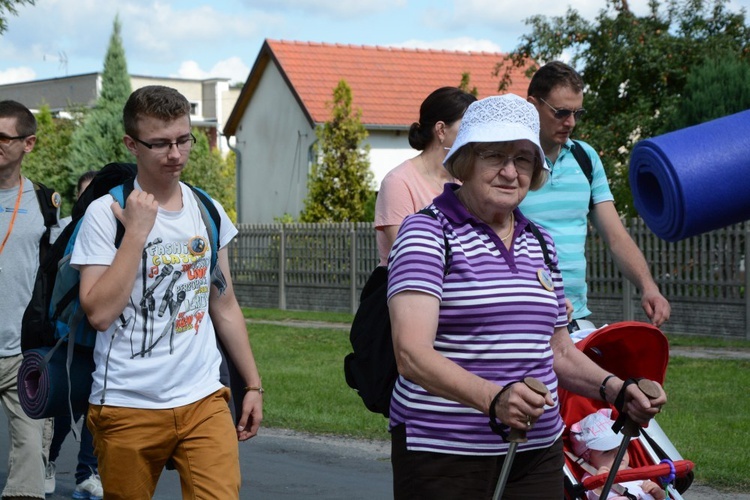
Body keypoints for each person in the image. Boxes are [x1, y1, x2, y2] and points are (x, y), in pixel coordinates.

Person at [386, 93, 666, 499]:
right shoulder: (427, 233)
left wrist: (618, 390)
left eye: (522, 159)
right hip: (444, 455)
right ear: (466, 161)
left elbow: (559, 352)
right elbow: (411, 355)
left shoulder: (540, 241)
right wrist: (494, 399)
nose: (509, 171)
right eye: (494, 156)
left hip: (535, 453)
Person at [70, 85, 263, 498]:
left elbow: (224, 304)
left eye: (183, 139)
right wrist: (136, 233)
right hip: (126, 404)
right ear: (131, 144)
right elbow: (99, 313)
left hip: (204, 399)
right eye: (159, 143)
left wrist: (252, 385)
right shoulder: (106, 215)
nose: (175, 154)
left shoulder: (207, 210)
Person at [520, 61, 671, 331]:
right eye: (561, 112)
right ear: (532, 105)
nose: (571, 122)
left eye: (577, 112)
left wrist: (648, 287)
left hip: (575, 318)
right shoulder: (510, 161)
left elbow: (616, 236)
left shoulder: (585, 158)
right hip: (522, 318)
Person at [0, 100, 57, 499]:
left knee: (28, 463)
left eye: (3, 137)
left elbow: (54, 273)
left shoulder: (44, 203)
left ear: (28, 143)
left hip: (23, 351)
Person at [46, 169, 102, 500]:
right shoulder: (67, 229)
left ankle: (86, 472)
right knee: (67, 410)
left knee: (96, 407)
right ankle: (49, 459)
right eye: (85, 194)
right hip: (71, 338)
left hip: (101, 340)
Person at [374, 86, 476, 266]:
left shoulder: (464, 180)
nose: (474, 136)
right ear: (441, 130)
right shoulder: (399, 182)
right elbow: (407, 253)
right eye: (468, 126)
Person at [570, 409, 667, 500]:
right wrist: (599, 487)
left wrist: (658, 493)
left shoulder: (635, 472)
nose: (617, 453)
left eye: (619, 447)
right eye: (607, 451)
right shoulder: (592, 477)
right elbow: (592, 497)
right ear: (588, 459)